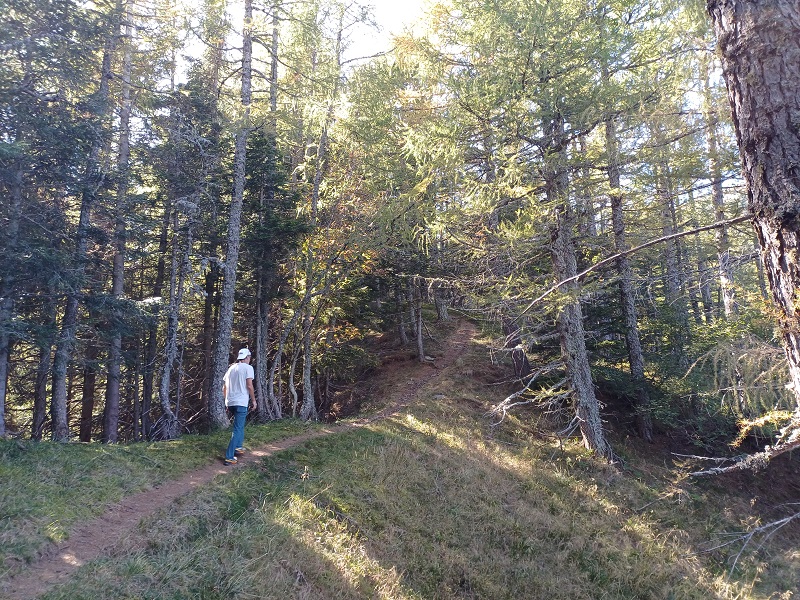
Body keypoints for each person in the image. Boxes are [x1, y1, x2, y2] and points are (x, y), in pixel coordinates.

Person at [222, 347, 257, 465]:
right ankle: (229, 457)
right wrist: (253, 400)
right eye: (249, 357)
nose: (250, 359)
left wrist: (226, 401)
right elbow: (249, 385)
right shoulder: (248, 368)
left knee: (240, 425)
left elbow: (224, 387)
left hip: (230, 402)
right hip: (241, 402)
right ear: (246, 357)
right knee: (237, 428)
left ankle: (238, 447)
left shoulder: (231, 368)